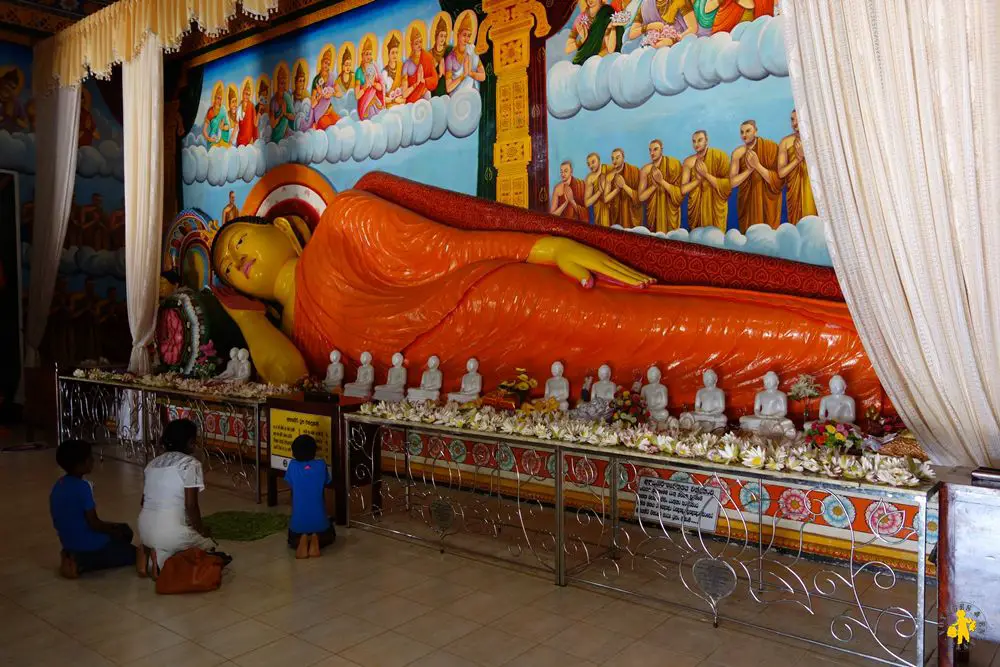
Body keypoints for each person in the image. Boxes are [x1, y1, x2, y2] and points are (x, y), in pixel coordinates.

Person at [208, 172, 887, 415]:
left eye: (240, 240)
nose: (237, 258)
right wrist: (249, 316)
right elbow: (287, 376)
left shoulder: (346, 222)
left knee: (664, 326)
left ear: (285, 229)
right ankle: (871, 375)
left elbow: (449, 250)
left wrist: (543, 247)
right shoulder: (287, 334)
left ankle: (880, 354)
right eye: (229, 268)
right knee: (639, 375)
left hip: (495, 300)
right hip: (469, 373)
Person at [50, 439, 137, 578]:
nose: (93, 461)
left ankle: (71, 554)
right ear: (80, 464)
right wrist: (114, 530)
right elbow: (94, 523)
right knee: (133, 553)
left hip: (68, 540)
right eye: (89, 458)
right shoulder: (82, 487)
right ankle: (80, 562)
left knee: (122, 531)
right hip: (89, 543)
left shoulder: (58, 485)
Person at [137, 419, 215, 571]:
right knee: (209, 546)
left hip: (144, 529)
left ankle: (151, 558)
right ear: (191, 442)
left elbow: (143, 502)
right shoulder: (191, 464)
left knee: (167, 541)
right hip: (171, 534)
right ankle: (160, 563)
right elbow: (191, 505)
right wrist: (201, 530)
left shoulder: (152, 464)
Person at [285, 435, 335, 558]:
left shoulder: (292, 466)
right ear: (314, 451)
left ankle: (302, 538)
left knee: (291, 538)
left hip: (297, 528)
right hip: (321, 526)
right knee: (331, 532)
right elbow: (327, 482)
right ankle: (315, 537)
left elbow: (290, 483)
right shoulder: (321, 465)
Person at [730, 119, 782, 232]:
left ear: (756, 131)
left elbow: (778, 181)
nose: (744, 135)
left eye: (748, 131)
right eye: (742, 132)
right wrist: (749, 170)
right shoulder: (737, 153)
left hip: (768, 204)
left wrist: (757, 166)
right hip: (747, 204)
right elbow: (732, 182)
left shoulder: (771, 147)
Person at [681, 129, 731, 231]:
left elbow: (727, 186)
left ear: (706, 140)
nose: (696, 144)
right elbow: (683, 189)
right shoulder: (688, 162)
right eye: (694, 141)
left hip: (715, 210)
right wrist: (698, 180)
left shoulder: (720, 156)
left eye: (700, 140)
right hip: (696, 210)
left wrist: (706, 175)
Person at [777, 109, 817, 224]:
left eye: (798, 119)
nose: (794, 123)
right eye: (792, 120)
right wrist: (798, 159)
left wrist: (807, 155)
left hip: (812, 189)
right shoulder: (785, 142)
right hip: (794, 193)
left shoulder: (815, 140)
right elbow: (781, 173)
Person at [638, 139, 683, 233]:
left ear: (661, 150)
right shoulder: (645, 170)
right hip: (653, 215)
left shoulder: (674, 165)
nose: (652, 153)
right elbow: (641, 197)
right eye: (650, 150)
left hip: (670, 214)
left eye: (655, 149)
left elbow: (679, 195)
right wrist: (654, 186)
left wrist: (661, 181)